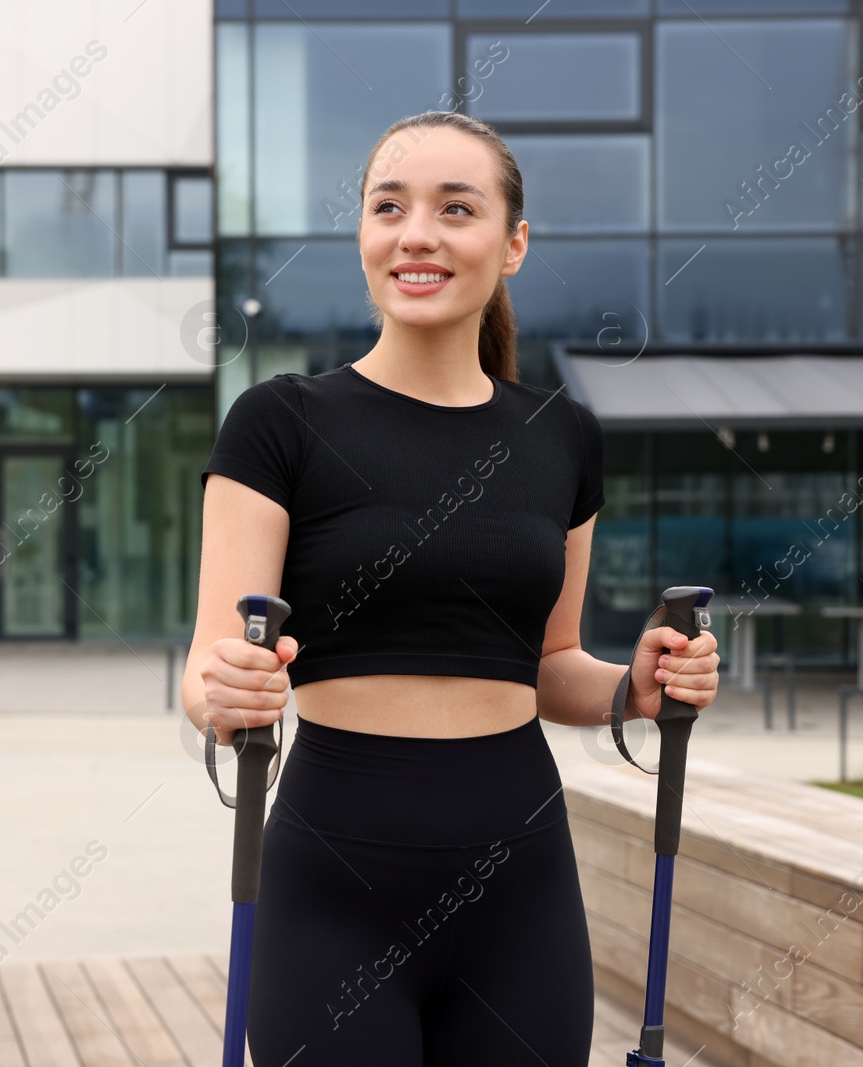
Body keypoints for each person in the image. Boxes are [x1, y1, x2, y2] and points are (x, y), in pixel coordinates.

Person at [184, 110, 720, 1066]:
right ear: (363, 236)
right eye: (388, 206)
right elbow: (209, 675)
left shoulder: (562, 436)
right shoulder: (278, 423)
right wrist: (223, 693)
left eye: (455, 208)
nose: (416, 233)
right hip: (330, 888)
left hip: (520, 888)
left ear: (512, 244)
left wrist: (634, 688)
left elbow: (549, 664)